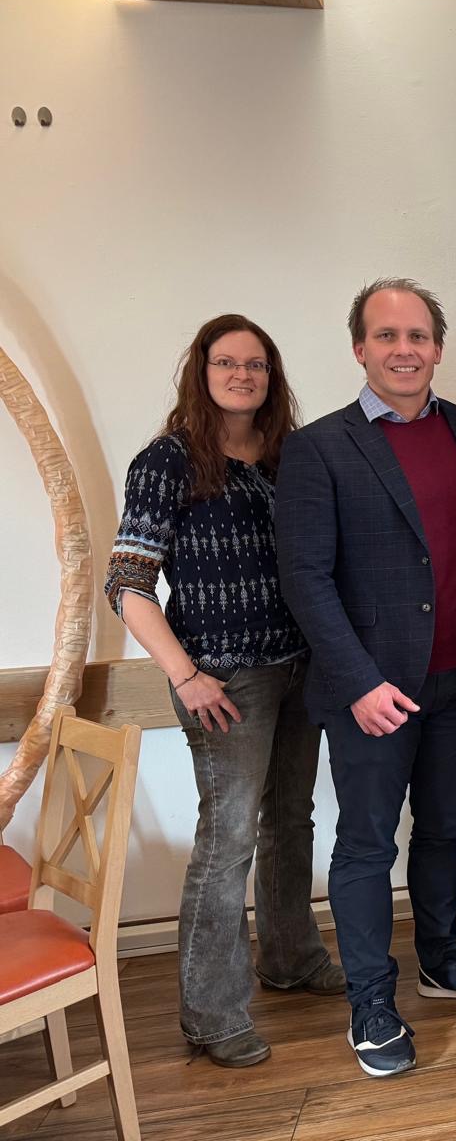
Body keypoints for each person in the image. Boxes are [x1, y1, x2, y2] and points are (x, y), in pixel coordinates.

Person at [276, 278, 456, 1079]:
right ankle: (371, 1003)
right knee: (366, 845)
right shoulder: (318, 448)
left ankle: (441, 958)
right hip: (373, 695)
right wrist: (357, 683)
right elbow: (305, 579)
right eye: (386, 336)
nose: (404, 349)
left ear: (438, 348)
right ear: (360, 348)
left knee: (446, 827)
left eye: (417, 336)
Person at [105, 315, 340, 1069]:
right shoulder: (168, 461)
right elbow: (128, 584)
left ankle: (291, 957)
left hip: (299, 667)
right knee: (228, 838)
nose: (243, 375)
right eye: (227, 362)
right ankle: (211, 1014)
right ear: (201, 372)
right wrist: (185, 673)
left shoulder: (287, 456)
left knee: (290, 821)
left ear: (272, 377)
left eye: (256, 365)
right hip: (224, 682)